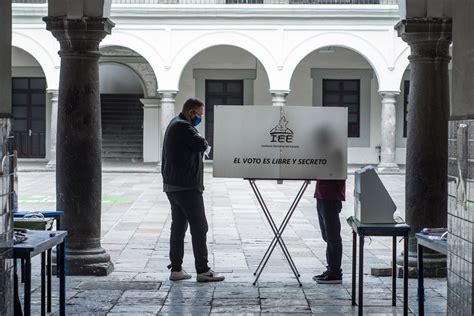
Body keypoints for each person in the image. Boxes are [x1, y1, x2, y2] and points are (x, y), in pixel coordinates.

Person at [161, 98, 224, 282]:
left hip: (173, 185)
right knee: (199, 227)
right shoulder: (183, 126)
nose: (200, 118)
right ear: (191, 112)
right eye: (200, 114)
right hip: (186, 186)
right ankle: (203, 270)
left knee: (178, 227)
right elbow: (202, 144)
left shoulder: (175, 123)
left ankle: (176, 269)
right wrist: (204, 142)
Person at [313, 179, 345, 284]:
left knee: (333, 235)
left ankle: (335, 272)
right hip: (322, 193)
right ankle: (331, 268)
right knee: (327, 235)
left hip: (330, 194)